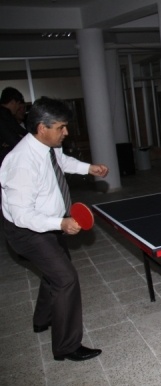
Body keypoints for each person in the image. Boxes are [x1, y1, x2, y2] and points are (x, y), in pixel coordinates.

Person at [0, 97, 109, 362]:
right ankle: (66, 347)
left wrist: (89, 168)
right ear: (42, 128)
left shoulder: (47, 146)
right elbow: (22, 215)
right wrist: (60, 223)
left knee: (56, 271)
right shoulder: (22, 162)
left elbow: (62, 163)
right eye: (61, 127)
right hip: (27, 231)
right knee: (65, 278)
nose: (66, 132)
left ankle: (42, 319)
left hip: (47, 223)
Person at [0, 87, 27, 166]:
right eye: (18, 104)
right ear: (12, 102)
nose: (18, 108)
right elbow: (15, 140)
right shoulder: (5, 115)